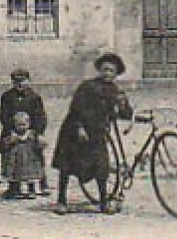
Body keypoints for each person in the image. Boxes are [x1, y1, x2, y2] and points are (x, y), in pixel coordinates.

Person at [52, 52, 132, 214]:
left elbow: (125, 114)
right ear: (100, 70)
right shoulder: (87, 86)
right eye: (105, 69)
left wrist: (123, 104)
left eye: (112, 71)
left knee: (101, 167)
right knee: (67, 167)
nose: (108, 73)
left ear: (116, 74)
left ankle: (103, 202)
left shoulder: (116, 91)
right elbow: (75, 108)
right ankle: (61, 200)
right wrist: (79, 127)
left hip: (97, 133)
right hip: (75, 131)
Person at [0, 67, 48, 196]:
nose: (20, 84)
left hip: (31, 132)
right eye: (16, 81)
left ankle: (38, 185)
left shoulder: (35, 97)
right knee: (10, 156)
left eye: (23, 80)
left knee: (34, 156)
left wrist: (36, 132)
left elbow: (40, 117)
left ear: (29, 81)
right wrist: (12, 131)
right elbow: (3, 116)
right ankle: (13, 186)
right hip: (12, 131)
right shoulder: (7, 97)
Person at [0, 110, 46, 199]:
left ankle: (31, 190)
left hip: (29, 159)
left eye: (24, 125)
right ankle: (16, 190)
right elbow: (6, 143)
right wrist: (10, 141)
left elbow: (41, 143)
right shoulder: (13, 135)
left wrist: (40, 143)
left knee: (30, 177)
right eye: (19, 125)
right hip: (16, 160)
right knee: (16, 175)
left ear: (28, 124)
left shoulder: (31, 134)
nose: (22, 127)